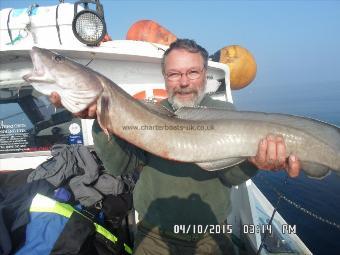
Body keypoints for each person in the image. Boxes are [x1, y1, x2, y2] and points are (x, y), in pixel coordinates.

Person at [49, 39, 300, 255]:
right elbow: (118, 166)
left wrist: (254, 163)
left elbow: (230, 176)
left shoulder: (225, 114)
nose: (184, 82)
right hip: (154, 236)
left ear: (204, 74)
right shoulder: (147, 114)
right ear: (165, 78)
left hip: (211, 235)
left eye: (193, 72)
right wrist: (100, 121)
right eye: (174, 74)